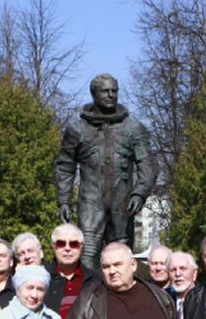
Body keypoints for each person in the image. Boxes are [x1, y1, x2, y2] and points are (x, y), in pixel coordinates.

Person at [54, 73, 156, 268]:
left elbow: (148, 164)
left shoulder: (133, 128)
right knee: (88, 254)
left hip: (123, 203)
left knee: (121, 255)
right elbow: (65, 167)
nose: (111, 95)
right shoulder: (77, 130)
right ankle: (89, 296)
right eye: (105, 91)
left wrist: (140, 193)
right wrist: (63, 200)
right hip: (90, 202)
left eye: (114, 91)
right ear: (93, 94)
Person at [167, 251, 199, 319]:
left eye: (183, 268)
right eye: (173, 270)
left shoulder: (204, 300)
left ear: (194, 274)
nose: (177, 274)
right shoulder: (164, 300)